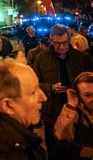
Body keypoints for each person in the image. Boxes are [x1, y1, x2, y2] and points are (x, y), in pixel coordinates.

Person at [33, 24, 93, 159]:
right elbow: (34, 84)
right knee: (55, 151)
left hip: (79, 112)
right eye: (57, 43)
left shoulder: (83, 58)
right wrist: (51, 87)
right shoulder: (41, 59)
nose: (61, 46)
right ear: (51, 40)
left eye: (64, 43)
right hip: (52, 113)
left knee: (77, 151)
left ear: (70, 39)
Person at [54, 71, 93, 159]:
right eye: (87, 95)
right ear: (78, 95)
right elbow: (60, 136)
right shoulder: (73, 111)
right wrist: (71, 105)